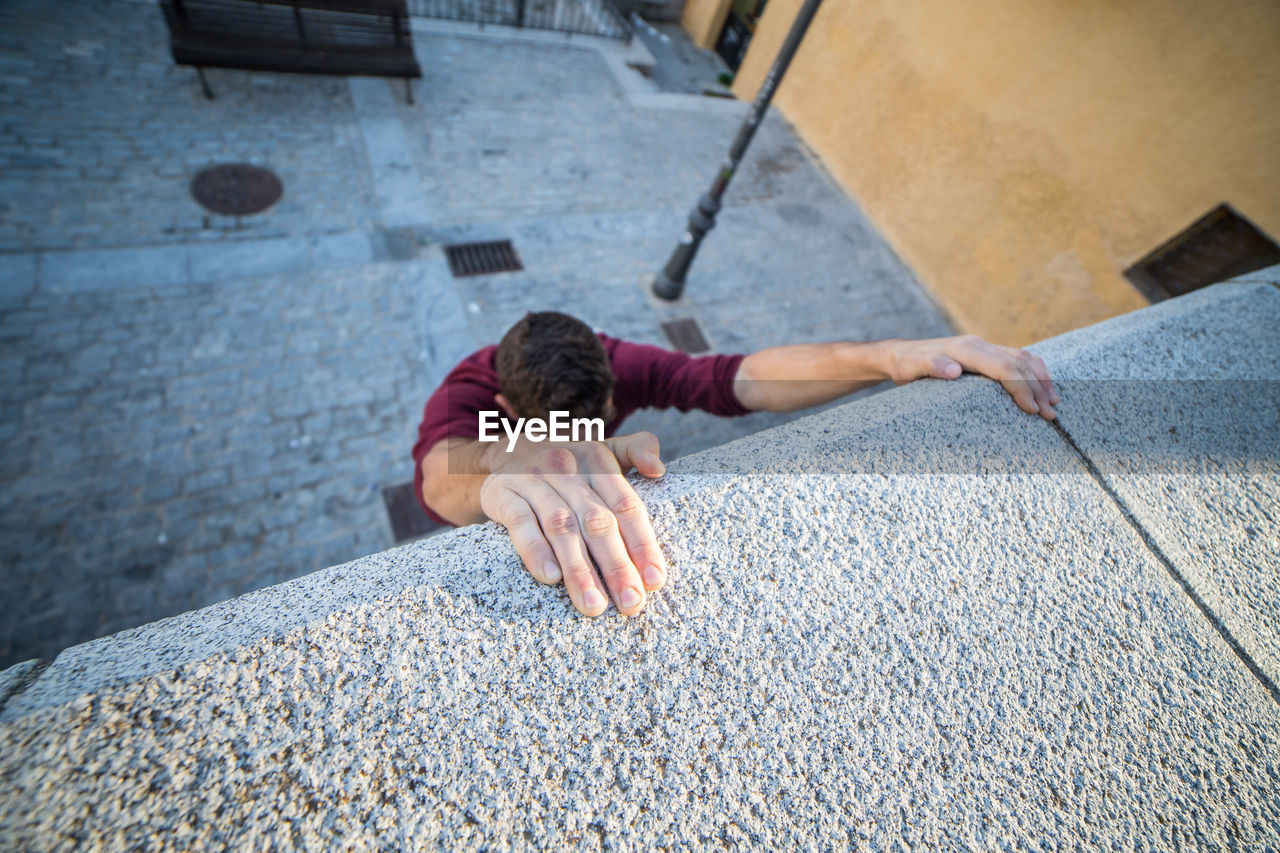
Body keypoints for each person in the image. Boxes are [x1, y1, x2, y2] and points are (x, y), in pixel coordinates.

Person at [414, 311, 1058, 618]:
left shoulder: (615, 360)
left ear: (612, 382)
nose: (582, 433)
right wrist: (509, 455)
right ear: (504, 405)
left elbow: (735, 378)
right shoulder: (467, 392)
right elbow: (439, 477)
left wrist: (892, 355)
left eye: (598, 414)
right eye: (559, 429)